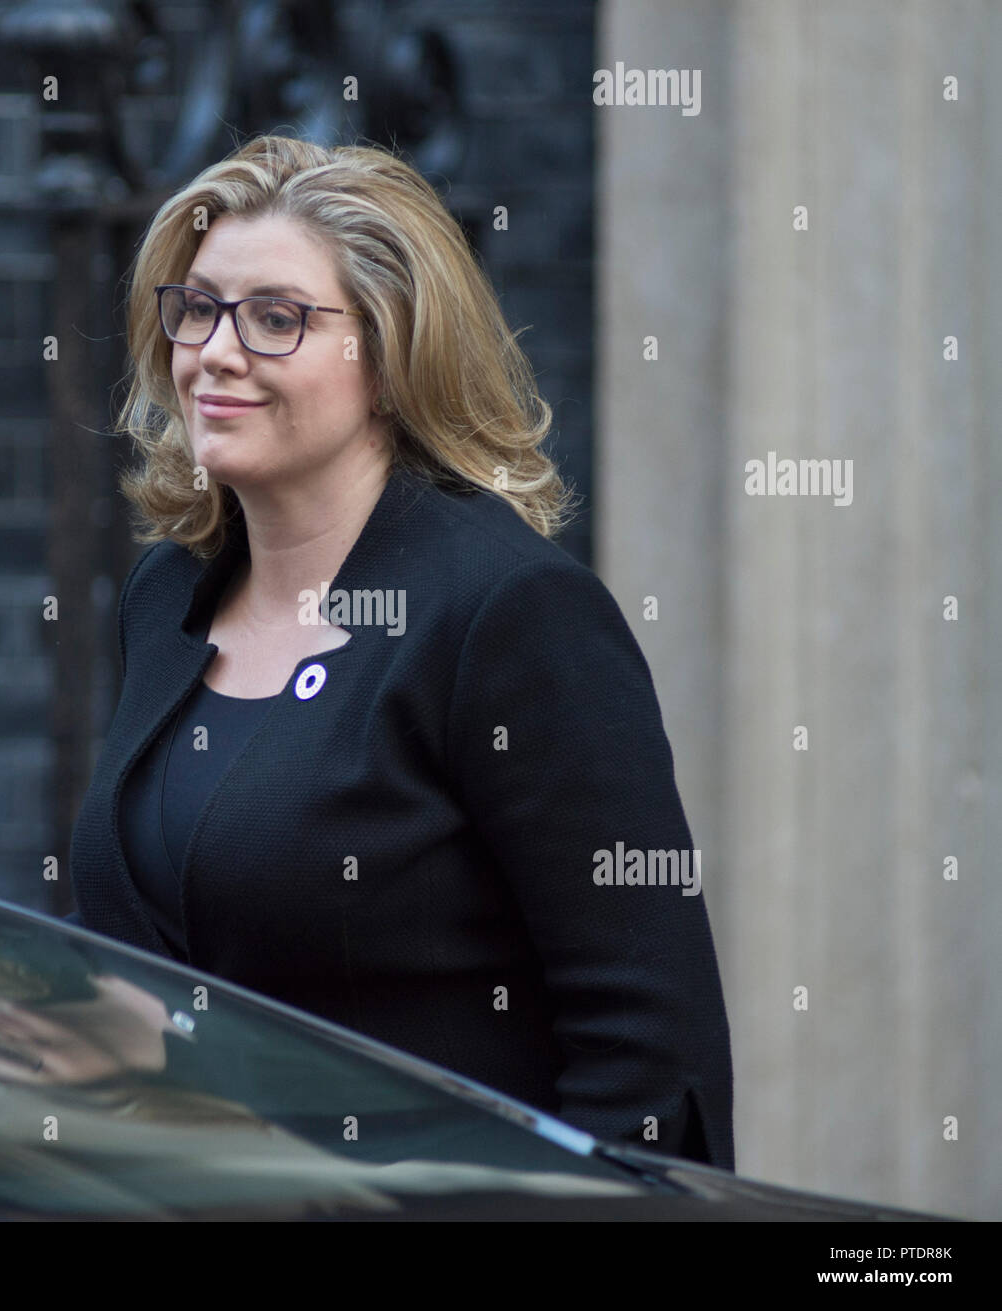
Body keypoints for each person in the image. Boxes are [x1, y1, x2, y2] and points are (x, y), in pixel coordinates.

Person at [68, 133, 735, 1170]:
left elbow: (649, 1052)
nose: (215, 352)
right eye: (196, 308)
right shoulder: (168, 598)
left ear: (387, 357)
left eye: (277, 318)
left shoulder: (509, 614)